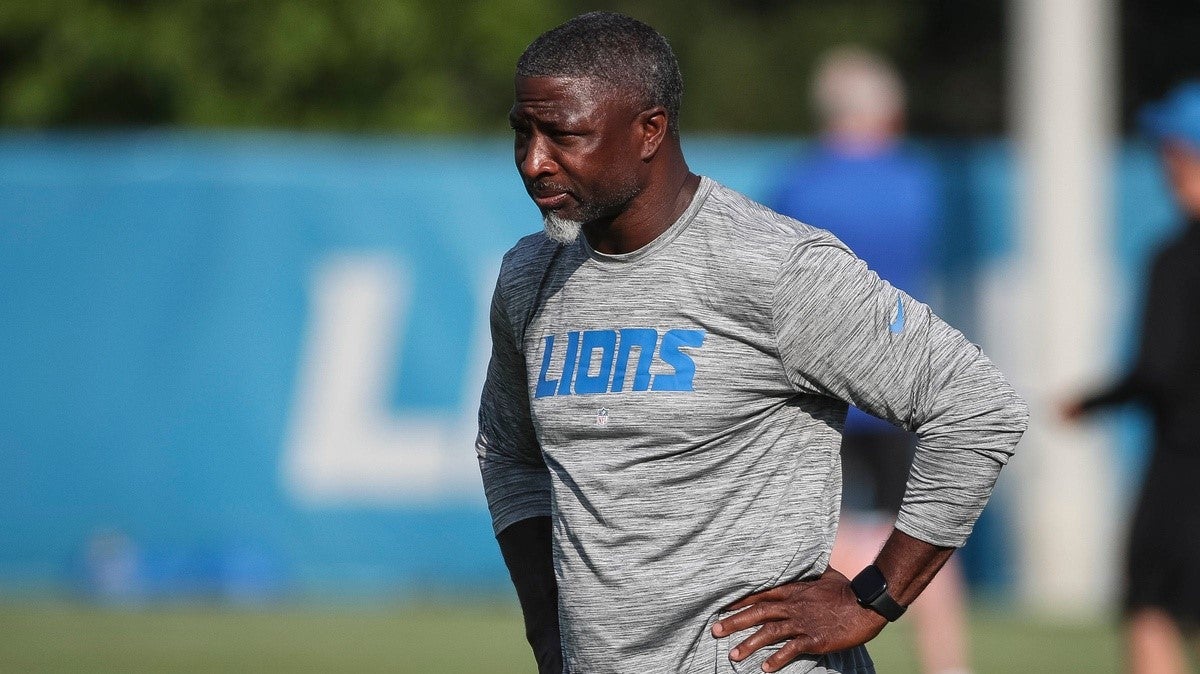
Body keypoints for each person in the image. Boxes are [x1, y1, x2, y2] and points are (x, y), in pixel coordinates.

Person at [476, 12, 1028, 674]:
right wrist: (547, 624)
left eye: (565, 135)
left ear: (651, 130)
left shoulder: (773, 267)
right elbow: (507, 452)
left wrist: (872, 598)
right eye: (522, 132)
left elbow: (977, 405)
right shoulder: (529, 277)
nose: (534, 161)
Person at [772, 48, 974, 674]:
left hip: (816, 387)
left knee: (819, 535)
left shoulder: (797, 184)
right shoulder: (917, 182)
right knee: (924, 535)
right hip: (901, 383)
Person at [1063, 82, 1200, 674]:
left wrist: (1089, 404)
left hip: (1185, 466)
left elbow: (1159, 369)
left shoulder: (1176, 258)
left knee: (1151, 606)